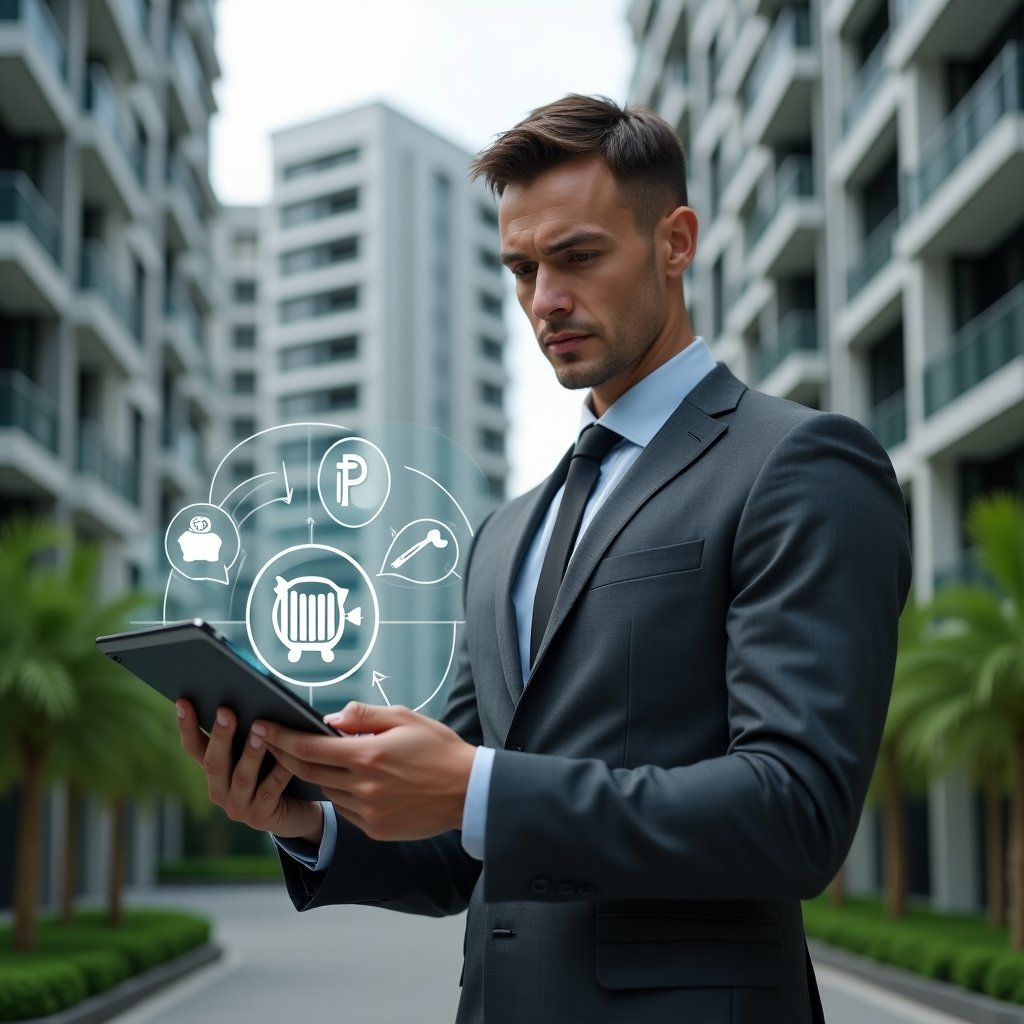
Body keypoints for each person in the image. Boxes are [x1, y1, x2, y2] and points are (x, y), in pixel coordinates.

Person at [177, 95, 911, 1023]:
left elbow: (795, 810)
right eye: (522, 269)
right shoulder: (505, 534)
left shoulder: (802, 464)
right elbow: (462, 843)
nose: (544, 301)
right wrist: (312, 818)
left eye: (578, 257)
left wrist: (477, 785)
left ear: (676, 242)